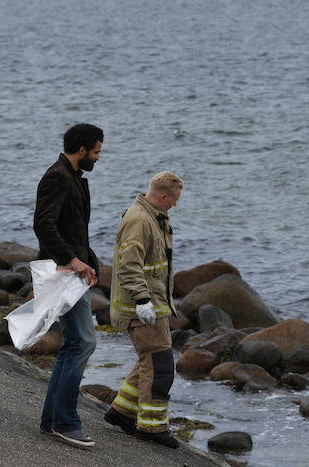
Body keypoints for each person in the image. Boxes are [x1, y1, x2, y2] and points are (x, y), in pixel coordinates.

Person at [34, 123, 103, 449]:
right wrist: (73, 262)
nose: (98, 158)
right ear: (82, 149)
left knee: (75, 342)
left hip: (74, 272)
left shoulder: (74, 178)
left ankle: (53, 420)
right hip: (61, 272)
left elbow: (75, 230)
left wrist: (91, 263)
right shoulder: (57, 177)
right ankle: (64, 422)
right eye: (96, 151)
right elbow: (43, 224)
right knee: (83, 342)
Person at [103, 171, 183, 449]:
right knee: (160, 366)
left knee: (149, 361)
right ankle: (151, 427)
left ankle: (121, 412)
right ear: (163, 197)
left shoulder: (152, 217)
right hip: (142, 309)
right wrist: (142, 301)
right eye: (174, 200)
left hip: (155, 305)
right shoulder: (140, 220)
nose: (175, 205)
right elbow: (129, 265)